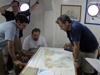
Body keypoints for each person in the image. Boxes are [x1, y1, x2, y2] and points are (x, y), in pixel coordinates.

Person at [0, 0, 40, 73]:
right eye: (24, 26)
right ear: (18, 22)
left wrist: (21, 50)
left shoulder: (17, 26)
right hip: (3, 44)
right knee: (4, 64)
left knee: (10, 59)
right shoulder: (11, 27)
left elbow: (17, 39)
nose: (24, 28)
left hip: (3, 44)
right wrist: (15, 60)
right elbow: (10, 46)